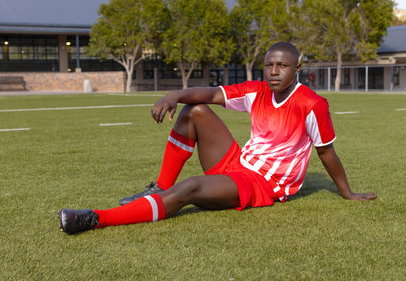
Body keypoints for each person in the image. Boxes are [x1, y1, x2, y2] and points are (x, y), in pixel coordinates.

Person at [59, 42, 376, 235]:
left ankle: (95, 218)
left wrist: (347, 193)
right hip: (238, 163)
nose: (274, 71)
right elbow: (209, 94)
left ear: (297, 68)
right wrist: (174, 95)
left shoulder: (312, 104)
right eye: (269, 65)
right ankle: (160, 187)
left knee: (192, 187)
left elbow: (326, 152)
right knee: (193, 110)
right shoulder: (257, 90)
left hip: (264, 183)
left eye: (282, 65)